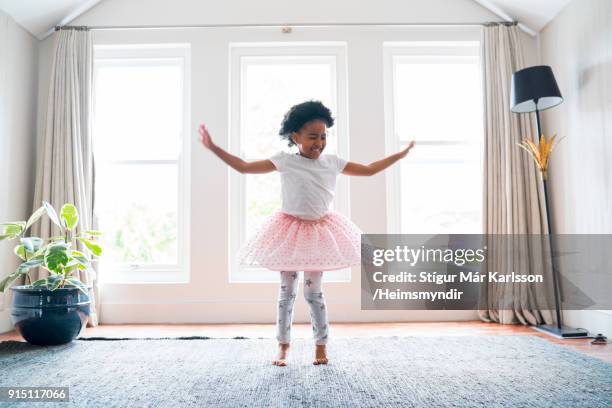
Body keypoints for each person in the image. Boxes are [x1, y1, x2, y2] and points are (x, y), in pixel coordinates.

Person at [198, 100, 415, 367]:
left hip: (320, 234)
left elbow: (369, 170)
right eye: (313, 137)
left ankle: (321, 346)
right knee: (286, 292)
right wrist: (214, 148)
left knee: (314, 294)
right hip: (289, 232)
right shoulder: (285, 161)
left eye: (323, 136)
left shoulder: (332, 163)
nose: (319, 142)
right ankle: (283, 346)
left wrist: (400, 155)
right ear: (295, 137)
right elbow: (244, 167)